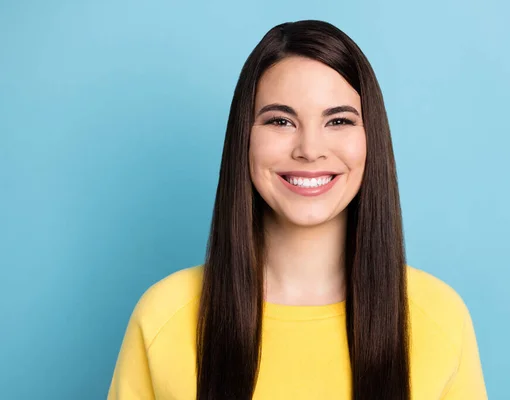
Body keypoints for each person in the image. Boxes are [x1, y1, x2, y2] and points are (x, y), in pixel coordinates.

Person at [108, 20, 487, 399]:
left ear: (371, 139)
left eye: (338, 120)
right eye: (281, 121)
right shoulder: (164, 315)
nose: (309, 149)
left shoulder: (439, 317)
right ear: (245, 138)